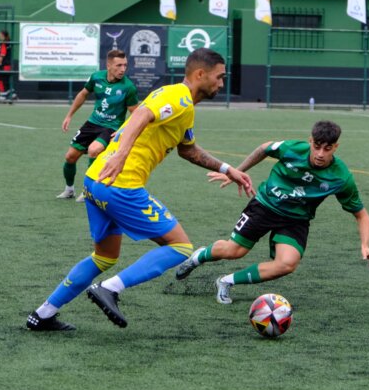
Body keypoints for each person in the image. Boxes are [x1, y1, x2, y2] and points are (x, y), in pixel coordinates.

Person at [26, 48, 253, 331]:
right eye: (219, 77)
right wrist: (121, 154)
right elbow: (141, 115)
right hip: (121, 185)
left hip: (96, 181)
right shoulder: (177, 97)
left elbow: (188, 150)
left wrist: (227, 169)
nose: (221, 83)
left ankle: (43, 314)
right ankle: (109, 288)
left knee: (104, 256)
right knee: (181, 247)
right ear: (200, 74)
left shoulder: (183, 105)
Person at [175, 120, 369, 304]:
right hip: (265, 206)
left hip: (295, 219)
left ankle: (226, 281)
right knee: (234, 251)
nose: (320, 154)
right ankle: (199, 256)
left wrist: (365, 245)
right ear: (310, 141)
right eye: (316, 146)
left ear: (336, 147)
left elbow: (361, 214)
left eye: (327, 149)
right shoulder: (292, 149)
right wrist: (237, 172)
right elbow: (264, 148)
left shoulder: (341, 177)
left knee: (287, 264)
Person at [56, 49, 139, 201]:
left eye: (125, 65)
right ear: (108, 65)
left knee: (94, 150)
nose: (123, 69)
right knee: (70, 157)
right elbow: (83, 94)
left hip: (112, 127)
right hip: (93, 123)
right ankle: (69, 190)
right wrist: (69, 115)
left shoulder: (128, 87)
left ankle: (89, 191)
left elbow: (137, 114)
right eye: (119, 65)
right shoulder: (96, 77)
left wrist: (123, 130)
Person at [0, 30, 15, 102]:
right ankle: (12, 94)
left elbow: (2, 56)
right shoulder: (8, 43)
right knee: (5, 81)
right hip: (7, 65)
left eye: (0, 35)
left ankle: (2, 96)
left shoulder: (4, 44)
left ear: (3, 36)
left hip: (4, 65)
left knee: (1, 81)